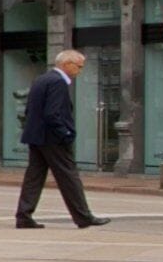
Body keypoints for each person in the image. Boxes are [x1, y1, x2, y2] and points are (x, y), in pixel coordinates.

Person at [15, 50, 106, 229]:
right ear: (66, 64)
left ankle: (24, 215)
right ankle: (83, 216)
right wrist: (65, 133)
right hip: (53, 139)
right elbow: (52, 113)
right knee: (69, 177)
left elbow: (29, 110)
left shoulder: (42, 79)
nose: (80, 70)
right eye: (78, 66)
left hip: (36, 136)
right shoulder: (58, 82)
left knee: (34, 177)